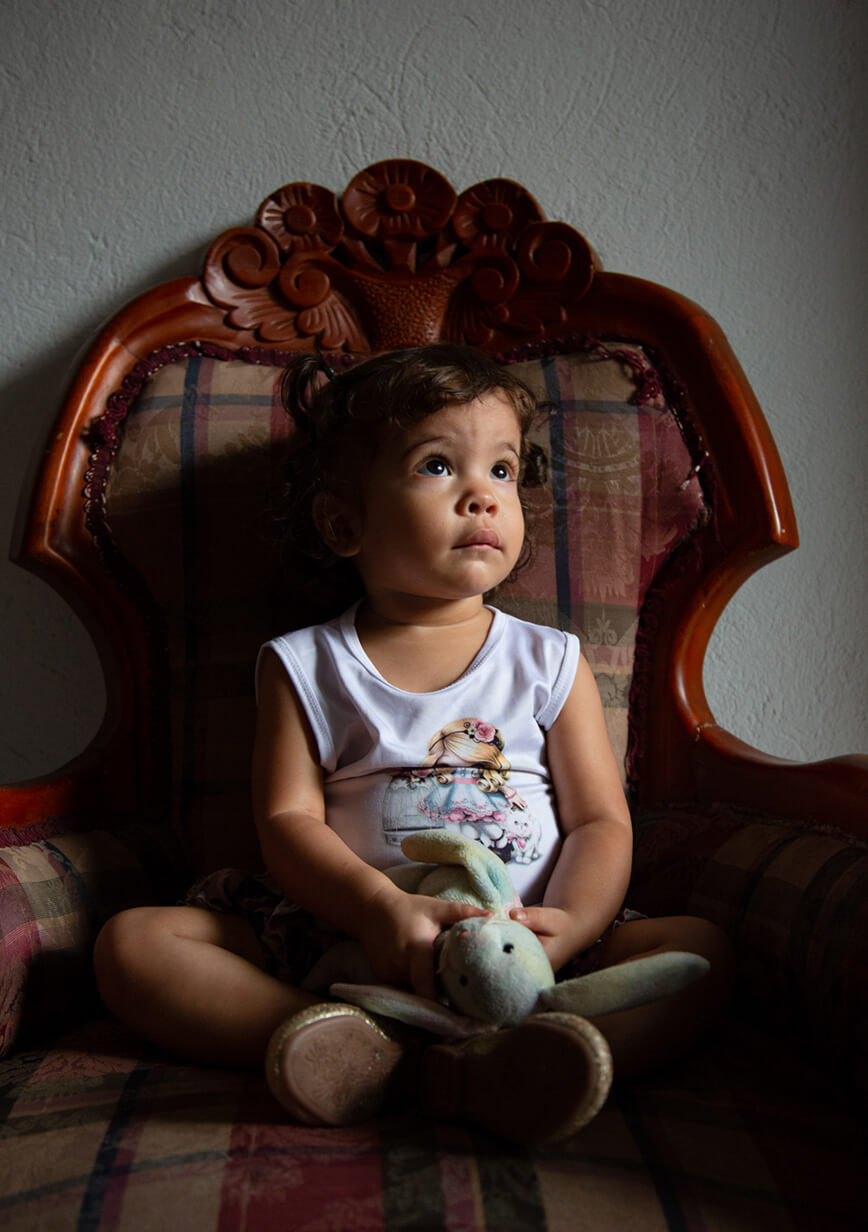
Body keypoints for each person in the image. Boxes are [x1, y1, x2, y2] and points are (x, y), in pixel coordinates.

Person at [94, 344, 732, 1145]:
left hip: (531, 947)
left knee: (698, 953)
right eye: (438, 466)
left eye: (502, 472)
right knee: (134, 942)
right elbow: (287, 823)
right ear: (344, 523)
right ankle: (333, 1042)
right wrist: (377, 911)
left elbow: (602, 821)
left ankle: (552, 1053)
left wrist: (569, 924)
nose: (482, 498)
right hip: (351, 946)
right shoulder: (307, 664)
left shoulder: (546, 660)